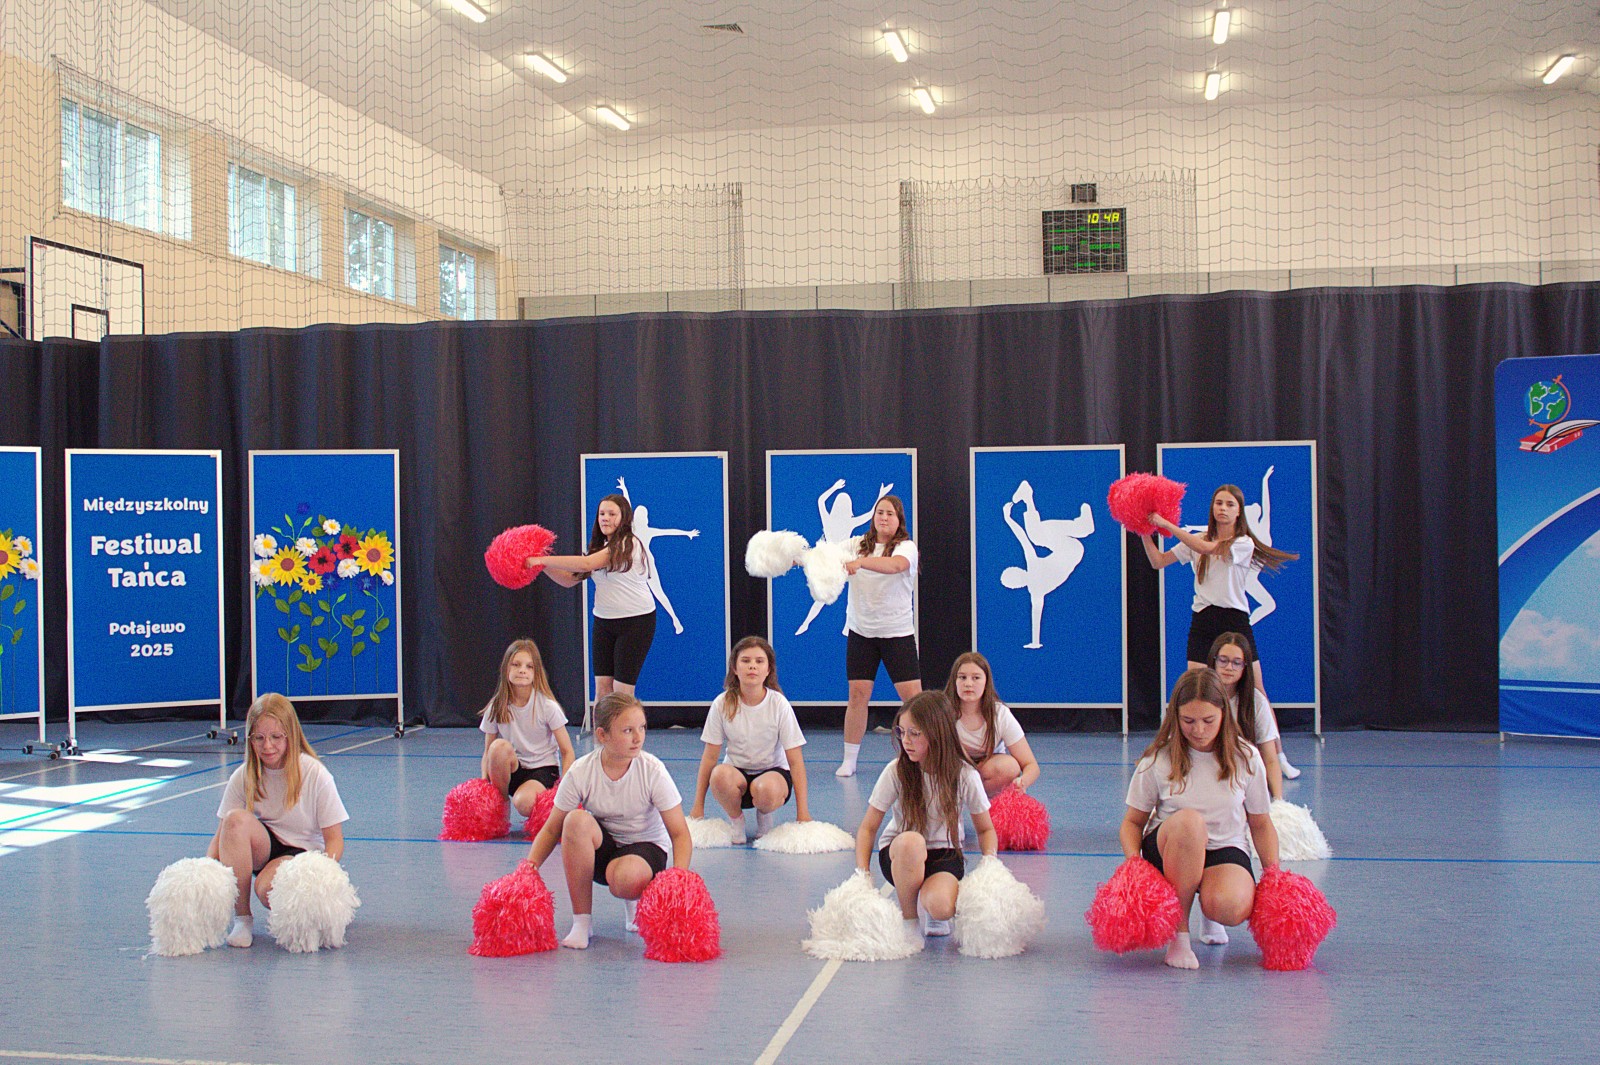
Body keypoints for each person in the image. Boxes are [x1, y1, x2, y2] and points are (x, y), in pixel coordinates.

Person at [1119, 668, 1279, 970]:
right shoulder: (1158, 758)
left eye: (1208, 720)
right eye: (1188, 721)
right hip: (1172, 845)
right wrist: (1133, 864)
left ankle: (1209, 905)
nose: (1199, 730)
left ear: (1224, 714)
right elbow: (1132, 823)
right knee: (1190, 824)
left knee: (1230, 906)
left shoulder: (1246, 757)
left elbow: (1260, 823)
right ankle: (1178, 935)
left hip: (1223, 847)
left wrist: (1275, 877)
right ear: (1175, 717)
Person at [525, 692, 692, 949]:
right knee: (575, 821)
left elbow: (679, 833)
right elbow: (551, 830)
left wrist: (679, 879)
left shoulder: (653, 770)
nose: (638, 738)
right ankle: (582, 922)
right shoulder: (581, 771)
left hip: (646, 848)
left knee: (625, 879)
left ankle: (635, 902)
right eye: (627, 730)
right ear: (602, 735)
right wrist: (527, 870)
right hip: (605, 849)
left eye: (642, 728)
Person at [208, 693, 349, 948]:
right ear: (250, 739)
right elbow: (220, 839)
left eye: (276, 737)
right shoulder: (243, 775)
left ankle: (313, 912)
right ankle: (242, 918)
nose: (267, 746)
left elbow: (334, 840)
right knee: (234, 821)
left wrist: (324, 879)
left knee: (268, 890)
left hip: (304, 852)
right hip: (267, 844)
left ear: (290, 736)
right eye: (259, 738)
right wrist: (204, 878)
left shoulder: (315, 773)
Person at [854, 692, 998, 938]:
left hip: (944, 854)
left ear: (937, 733)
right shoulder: (896, 771)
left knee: (941, 907)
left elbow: (986, 829)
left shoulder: (964, 775)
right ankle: (909, 918)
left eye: (915, 733)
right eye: (901, 732)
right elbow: (868, 828)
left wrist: (990, 866)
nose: (906, 741)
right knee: (911, 842)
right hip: (901, 854)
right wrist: (863, 875)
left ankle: (930, 904)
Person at [1138, 482, 1297, 690]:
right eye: (1219, 503)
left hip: (1234, 619)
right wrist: (1143, 530)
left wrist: (1166, 524)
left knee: (1256, 690)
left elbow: (1205, 548)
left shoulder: (1243, 543)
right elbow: (1158, 561)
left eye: (1230, 504)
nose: (1223, 508)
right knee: (1197, 687)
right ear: (1212, 507)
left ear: (1239, 512)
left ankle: (1261, 714)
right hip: (1203, 618)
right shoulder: (1197, 539)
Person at [690, 636, 813, 843]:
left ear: (768, 669)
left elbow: (795, 760)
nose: (752, 666)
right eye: (745, 661)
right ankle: (736, 821)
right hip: (737, 776)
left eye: (759, 661)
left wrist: (803, 813)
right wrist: (697, 806)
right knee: (718, 774)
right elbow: (710, 757)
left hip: (772, 777)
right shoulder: (722, 704)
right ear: (735, 668)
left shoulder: (779, 704)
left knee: (766, 789)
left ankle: (764, 816)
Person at [535, 493, 657, 699]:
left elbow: (586, 564)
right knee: (602, 690)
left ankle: (627, 722)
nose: (605, 518)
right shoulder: (599, 548)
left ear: (624, 518)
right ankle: (601, 723)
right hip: (604, 622)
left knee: (622, 692)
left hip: (636, 622)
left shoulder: (628, 543)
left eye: (612, 514)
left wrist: (540, 560)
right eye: (602, 514)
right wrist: (541, 564)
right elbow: (569, 579)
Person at [837, 494, 921, 777]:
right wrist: (796, 558)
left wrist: (860, 563)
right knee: (857, 696)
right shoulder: (856, 545)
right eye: (880, 513)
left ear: (899, 520)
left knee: (914, 700)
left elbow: (895, 566)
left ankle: (925, 757)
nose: (884, 518)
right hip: (861, 633)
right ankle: (849, 760)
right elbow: (826, 556)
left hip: (897, 634)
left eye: (890, 514)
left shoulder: (906, 547)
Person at [479, 639, 576, 818]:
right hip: (514, 769)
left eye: (529, 666)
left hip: (543, 769)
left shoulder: (547, 706)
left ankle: (537, 799)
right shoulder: (496, 706)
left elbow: (567, 751)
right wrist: (484, 784)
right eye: (516, 664)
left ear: (536, 672)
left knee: (524, 803)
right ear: (506, 669)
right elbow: (488, 753)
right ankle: (501, 806)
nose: (522, 670)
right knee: (498, 748)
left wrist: (563, 788)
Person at [999, 480, 1094, 649]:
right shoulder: (1034, 577)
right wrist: (1008, 519)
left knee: (1036, 534)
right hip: (1070, 550)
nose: (1018, 571)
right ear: (1017, 584)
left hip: (1068, 551)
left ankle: (1028, 497)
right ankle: (1081, 526)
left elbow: (1023, 539)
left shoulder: (1035, 585)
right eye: (1015, 575)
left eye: (1015, 571)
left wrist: (1008, 519)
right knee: (1036, 535)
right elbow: (1036, 614)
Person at [795, 478, 892, 636]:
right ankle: (842, 626)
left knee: (825, 597)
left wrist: (833, 488)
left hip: (835, 561)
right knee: (850, 592)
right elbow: (870, 514)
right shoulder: (849, 521)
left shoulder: (830, 519)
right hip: (839, 562)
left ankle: (808, 624)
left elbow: (821, 501)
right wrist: (880, 495)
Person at [942, 651, 1041, 797]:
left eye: (976, 678)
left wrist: (1022, 782)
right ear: (954, 681)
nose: (968, 684)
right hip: (955, 767)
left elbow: (1031, 765)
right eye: (962, 677)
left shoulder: (1000, 714)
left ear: (986, 682)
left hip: (986, 769)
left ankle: (978, 800)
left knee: (1010, 767)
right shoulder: (942, 711)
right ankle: (950, 799)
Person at [1206, 632, 1285, 801]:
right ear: (1213, 661)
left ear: (1245, 667)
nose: (1229, 667)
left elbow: (1270, 759)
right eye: (1223, 660)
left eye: (1237, 663)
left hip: (1242, 782)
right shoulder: (1198, 696)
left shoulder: (1257, 702)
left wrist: (1279, 801)